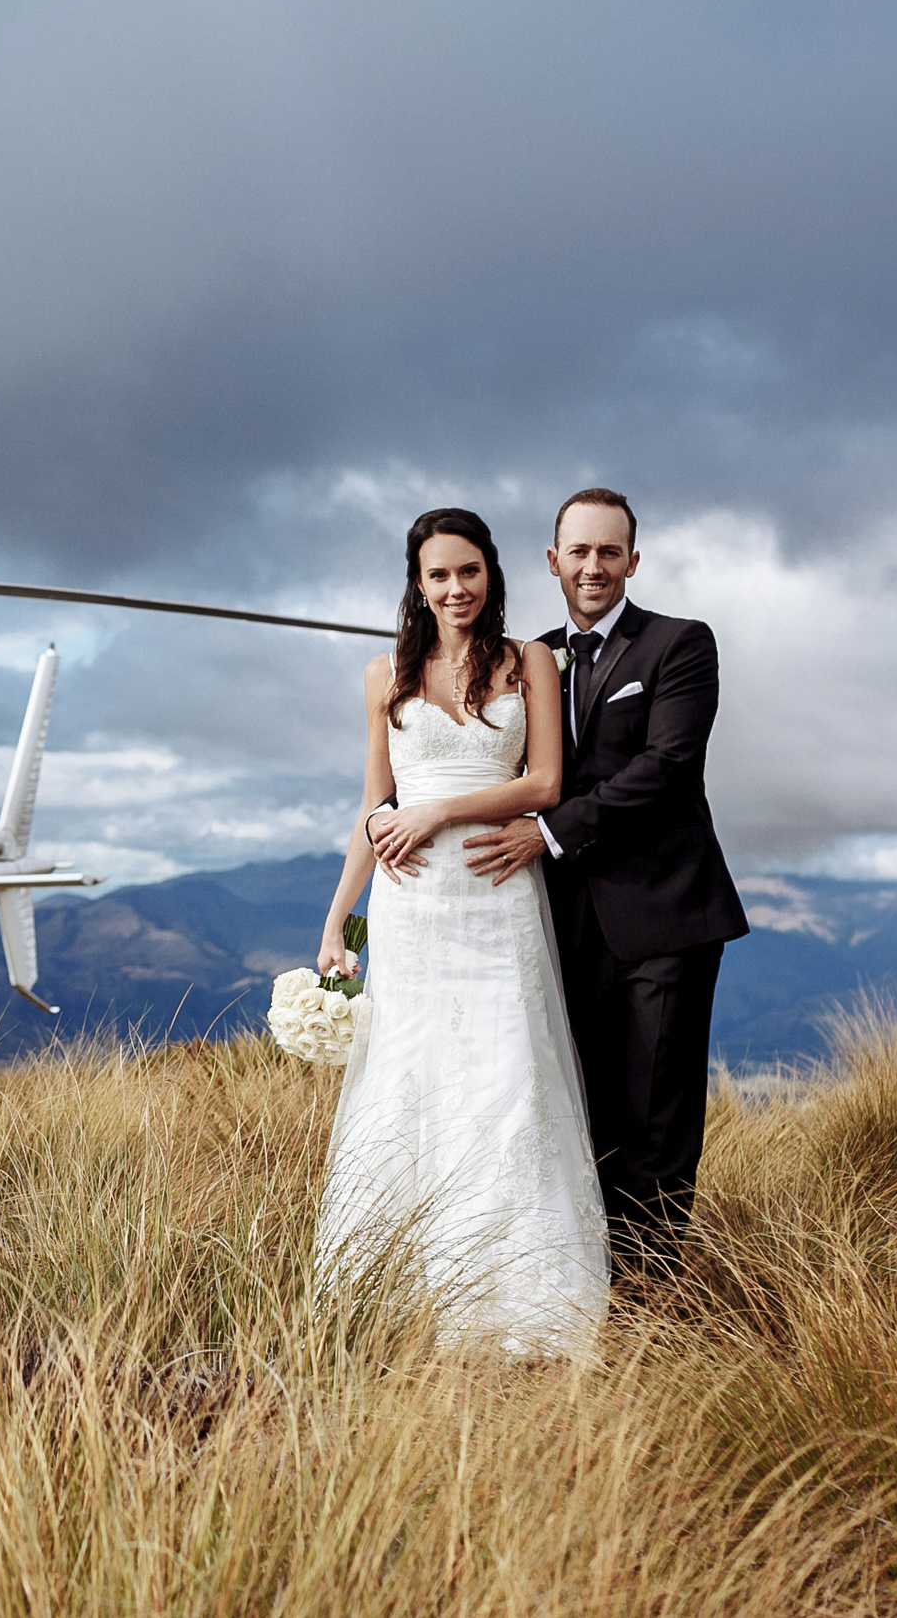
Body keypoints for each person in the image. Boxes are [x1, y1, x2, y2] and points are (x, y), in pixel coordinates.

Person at [313, 507, 608, 1353]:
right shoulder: (384, 674)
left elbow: (546, 781)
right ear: (417, 582)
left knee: (507, 1069)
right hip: (409, 907)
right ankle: (398, 1289)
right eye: (438, 574)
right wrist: (339, 918)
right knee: (408, 1077)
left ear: (493, 575)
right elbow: (373, 803)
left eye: (469, 571)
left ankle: (520, 1293)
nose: (455, 588)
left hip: (494, 891)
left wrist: (436, 807)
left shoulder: (531, 661)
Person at [448, 489, 748, 1289]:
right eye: (577, 552)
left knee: (655, 1115)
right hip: (560, 925)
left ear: (632, 562)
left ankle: (650, 1291)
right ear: (552, 561)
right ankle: (592, 1281)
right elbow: (480, 762)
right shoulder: (530, 658)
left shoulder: (681, 645)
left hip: (665, 917)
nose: (592, 566)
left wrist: (548, 831)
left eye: (608, 552)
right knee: (580, 1108)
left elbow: (666, 765)